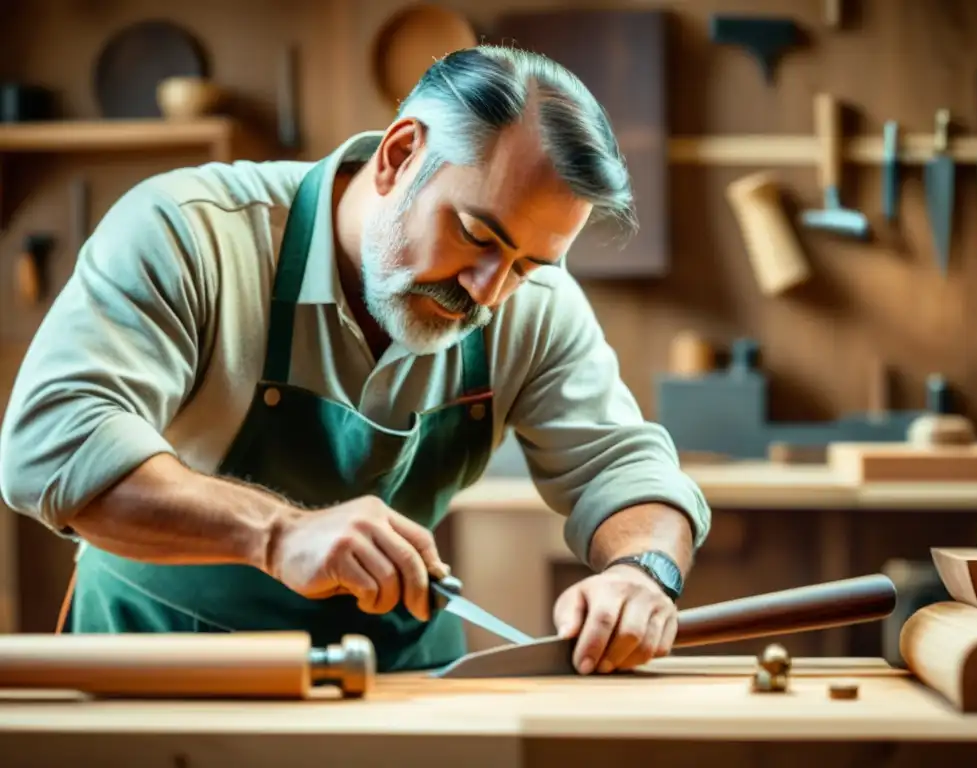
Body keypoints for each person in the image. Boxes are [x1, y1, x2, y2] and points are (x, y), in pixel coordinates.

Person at [0, 45, 710, 676]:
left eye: (527, 264)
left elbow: (623, 467)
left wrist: (642, 573)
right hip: (158, 664)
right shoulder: (188, 234)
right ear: (400, 155)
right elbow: (52, 443)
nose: (488, 291)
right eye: (474, 235)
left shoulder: (530, 301)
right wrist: (276, 534)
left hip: (395, 680)